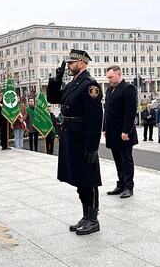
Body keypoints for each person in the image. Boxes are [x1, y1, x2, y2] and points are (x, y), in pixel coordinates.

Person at [47, 49, 103, 235]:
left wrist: (91, 146)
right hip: (71, 136)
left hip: (82, 138)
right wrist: (56, 80)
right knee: (80, 179)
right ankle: (86, 216)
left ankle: (93, 219)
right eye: (68, 63)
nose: (68, 65)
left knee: (89, 179)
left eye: (71, 63)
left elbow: (95, 118)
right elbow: (54, 98)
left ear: (83, 63)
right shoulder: (74, 84)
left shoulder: (89, 86)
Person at [103, 65, 138, 199]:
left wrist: (126, 131)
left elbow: (130, 111)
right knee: (118, 160)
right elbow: (107, 111)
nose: (109, 80)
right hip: (112, 132)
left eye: (111, 77)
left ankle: (129, 187)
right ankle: (121, 184)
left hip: (124, 133)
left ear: (119, 74)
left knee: (126, 159)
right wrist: (105, 128)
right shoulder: (109, 90)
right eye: (108, 77)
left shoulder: (127, 88)